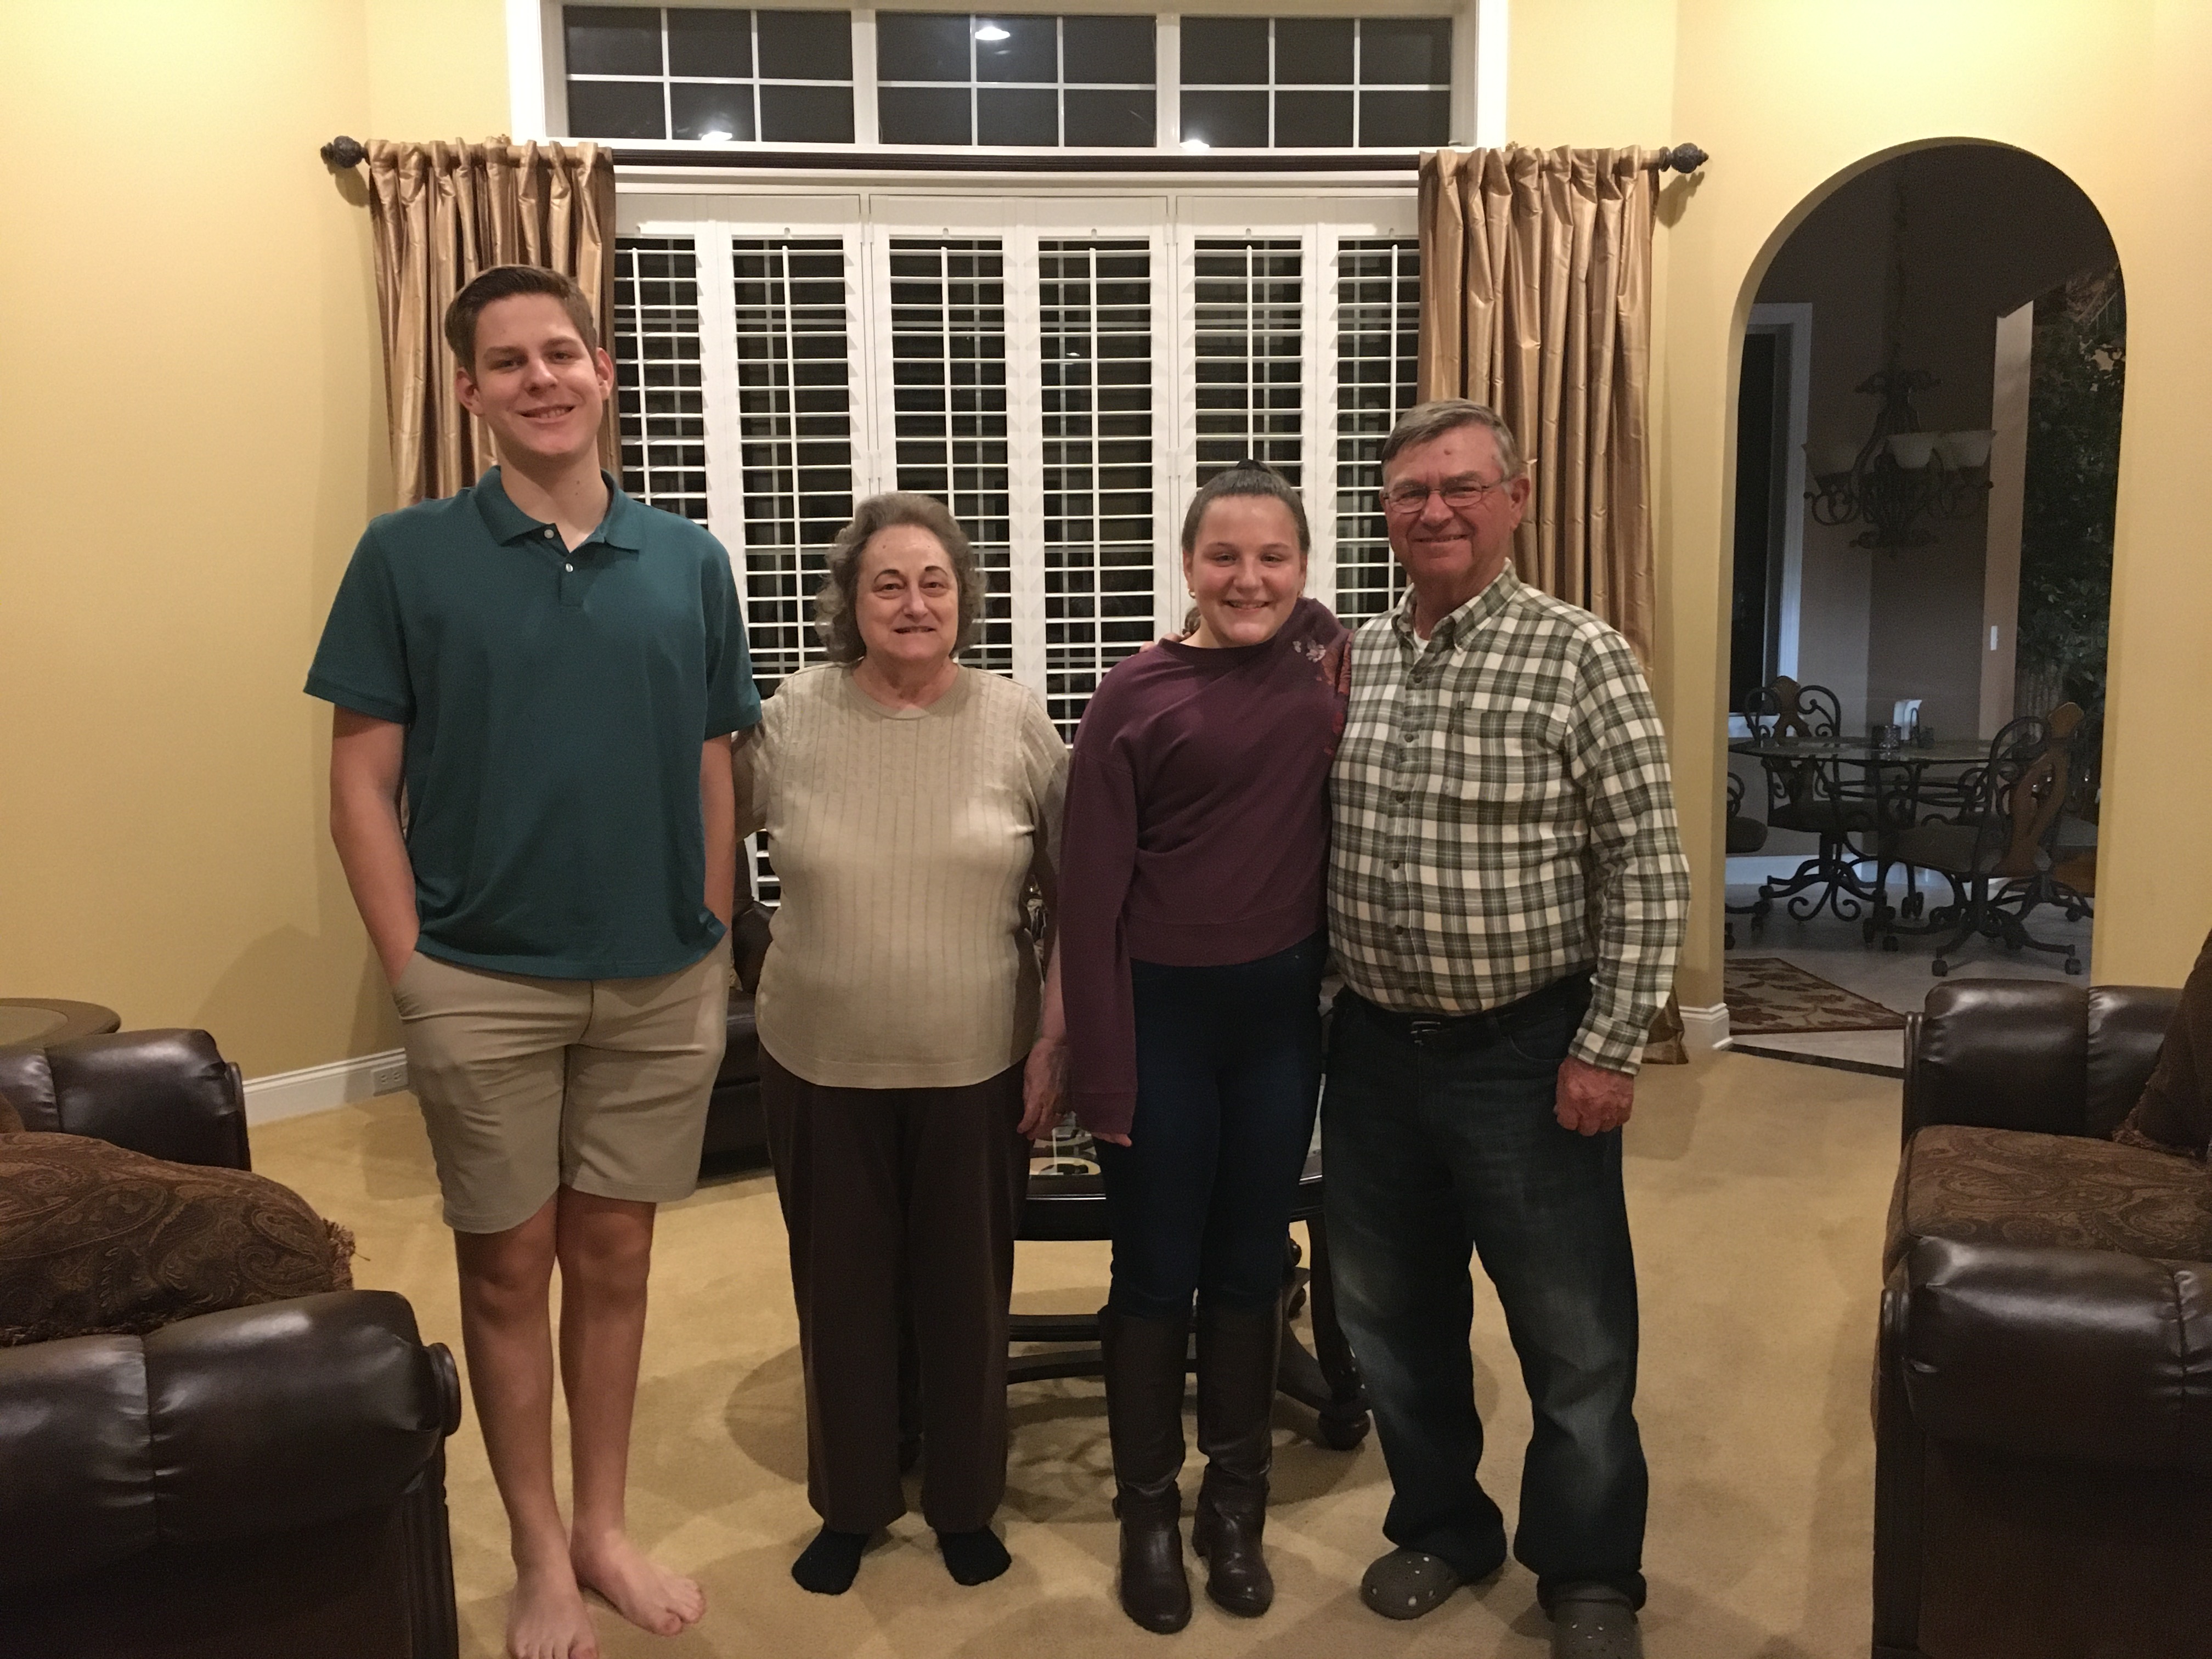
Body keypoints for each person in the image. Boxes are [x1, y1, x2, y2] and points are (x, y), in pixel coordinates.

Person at [311, 265, 755, 1659]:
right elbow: (360, 782)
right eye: (508, 363)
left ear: (604, 371)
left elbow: (713, 764)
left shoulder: (689, 560)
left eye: (562, 352)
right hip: (481, 982)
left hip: (659, 980)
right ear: (469, 392)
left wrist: (712, 935)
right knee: (508, 1270)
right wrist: (415, 972)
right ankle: (538, 1553)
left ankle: (604, 1527)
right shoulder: (404, 555)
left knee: (617, 1259)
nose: (541, 379)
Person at [1323, 400, 1690, 1659]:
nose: (1435, 510)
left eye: (1462, 487)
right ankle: (1444, 1525)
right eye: (1411, 491)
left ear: (1517, 499)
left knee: (1574, 1336)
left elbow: (1648, 866)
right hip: (1374, 1053)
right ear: (1386, 513)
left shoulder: (1582, 656)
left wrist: (1610, 1045)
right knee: (1390, 1322)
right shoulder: (1351, 659)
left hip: (1529, 1057)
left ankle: (1590, 1573)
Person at [1028, 461, 1350, 1634]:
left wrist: (1320, 627)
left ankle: (1236, 1506)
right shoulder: (1135, 694)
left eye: (1273, 557)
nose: (1248, 578)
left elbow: (1327, 640)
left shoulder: (1327, 671)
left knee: (1252, 1267)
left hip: (1277, 1031)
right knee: (1157, 1273)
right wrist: (1084, 1057)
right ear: (1187, 567)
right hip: (1158, 1024)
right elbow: (1089, 900)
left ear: (1303, 568)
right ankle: (1150, 1513)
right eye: (1224, 557)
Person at [732, 493, 1067, 1598]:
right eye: (888, 583)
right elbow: (704, 826)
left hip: (978, 1059)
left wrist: (1056, 1035)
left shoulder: (1016, 720)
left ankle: (965, 1501)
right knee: (841, 1294)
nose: (915, 603)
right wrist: (739, 942)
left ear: (964, 597)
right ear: (851, 602)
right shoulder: (792, 714)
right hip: (817, 1060)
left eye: (935, 582)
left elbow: (1074, 892)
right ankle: (853, 1502)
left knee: (967, 1294)